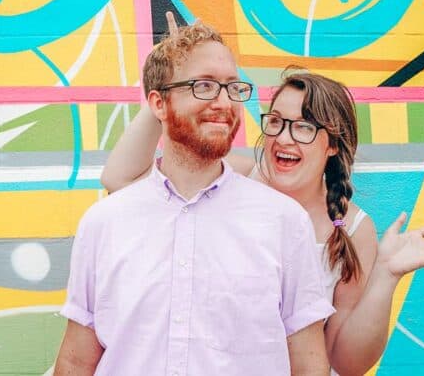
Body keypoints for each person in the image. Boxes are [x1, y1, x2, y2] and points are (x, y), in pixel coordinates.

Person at [98, 14, 424, 376]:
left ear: (333, 144)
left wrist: (386, 275)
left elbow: (347, 362)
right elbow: (119, 179)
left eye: (304, 126)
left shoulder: (350, 228)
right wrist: (172, 83)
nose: (284, 138)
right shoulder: (236, 179)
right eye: (275, 121)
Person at [54, 20, 335, 375]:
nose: (223, 102)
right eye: (203, 86)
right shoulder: (104, 223)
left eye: (232, 87)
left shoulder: (283, 222)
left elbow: (309, 362)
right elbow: (76, 361)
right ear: (158, 103)